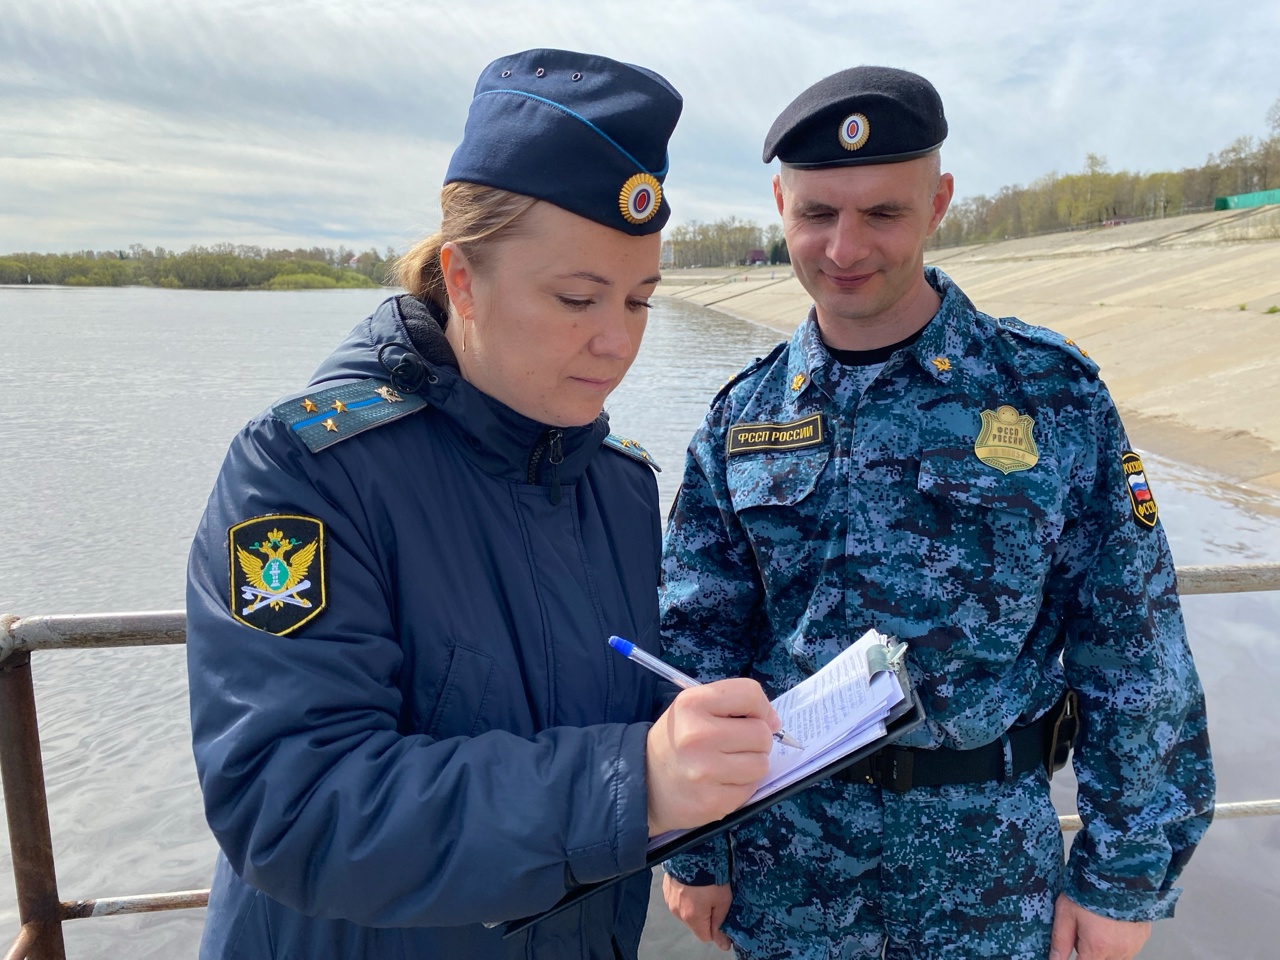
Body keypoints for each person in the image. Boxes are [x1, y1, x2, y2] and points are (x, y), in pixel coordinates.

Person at [185, 48, 782, 960]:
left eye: (640, 301)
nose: (616, 342)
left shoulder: (620, 486)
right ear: (462, 278)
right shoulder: (306, 474)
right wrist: (635, 781)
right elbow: (292, 805)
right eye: (577, 298)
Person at [659, 65, 1214, 960]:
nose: (845, 247)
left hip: (990, 876)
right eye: (817, 213)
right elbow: (696, 642)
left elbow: (1134, 643)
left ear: (939, 203)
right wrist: (694, 846)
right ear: (780, 205)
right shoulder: (741, 418)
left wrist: (1121, 879)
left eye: (882, 212)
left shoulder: (1049, 395)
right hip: (789, 871)